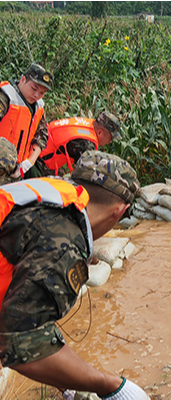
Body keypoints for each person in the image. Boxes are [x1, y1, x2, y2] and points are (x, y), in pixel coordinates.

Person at [0, 151, 148, 399]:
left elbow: (30, 309)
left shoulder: (49, 193)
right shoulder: (65, 242)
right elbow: (19, 342)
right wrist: (109, 385)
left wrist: (64, 380)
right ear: (119, 212)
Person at [0, 63, 52, 180]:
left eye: (42, 93)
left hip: (20, 167)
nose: (36, 95)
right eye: (34, 89)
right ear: (23, 80)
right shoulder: (5, 97)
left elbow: (42, 135)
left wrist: (29, 162)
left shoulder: (38, 106)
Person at [35, 111, 121, 176]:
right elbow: (85, 174)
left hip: (37, 143)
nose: (110, 141)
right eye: (110, 138)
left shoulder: (87, 123)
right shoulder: (86, 144)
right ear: (100, 133)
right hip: (37, 161)